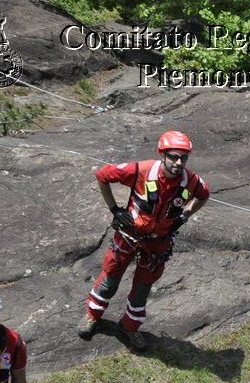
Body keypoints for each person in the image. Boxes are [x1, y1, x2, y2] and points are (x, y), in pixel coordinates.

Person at [78, 130, 209, 350]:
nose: (179, 163)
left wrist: (183, 217)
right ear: (162, 155)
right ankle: (93, 316)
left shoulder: (192, 182)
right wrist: (115, 211)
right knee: (110, 280)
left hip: (158, 243)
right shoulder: (141, 170)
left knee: (142, 289)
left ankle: (129, 327)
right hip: (130, 234)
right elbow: (102, 175)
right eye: (174, 157)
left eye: (183, 158)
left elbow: (204, 195)